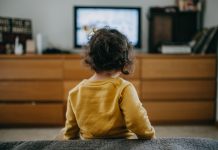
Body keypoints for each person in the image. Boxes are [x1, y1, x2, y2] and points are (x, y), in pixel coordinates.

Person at [64, 27, 155, 140]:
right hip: (121, 145)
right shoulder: (124, 88)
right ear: (123, 60)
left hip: (89, 146)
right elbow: (137, 121)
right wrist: (149, 136)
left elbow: (70, 131)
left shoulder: (75, 92)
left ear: (91, 58)